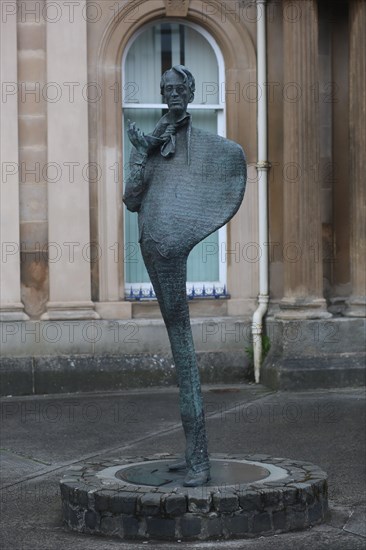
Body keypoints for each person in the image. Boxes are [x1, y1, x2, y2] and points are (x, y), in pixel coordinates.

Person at [123, 65, 246, 486]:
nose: (173, 94)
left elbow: (221, 180)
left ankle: (199, 458)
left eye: (179, 88)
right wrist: (141, 152)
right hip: (152, 246)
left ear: (192, 92)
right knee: (181, 348)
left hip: (173, 246)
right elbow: (131, 198)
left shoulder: (209, 147)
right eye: (166, 89)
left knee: (183, 348)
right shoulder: (155, 141)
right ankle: (194, 452)